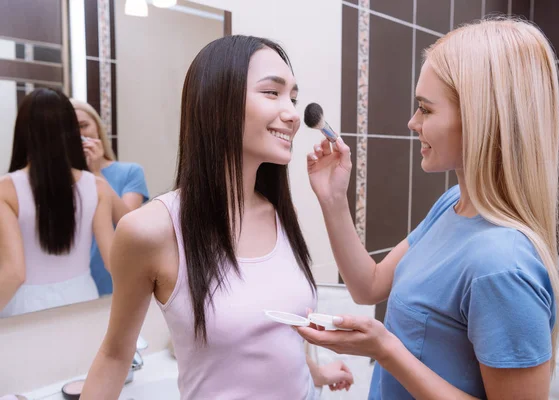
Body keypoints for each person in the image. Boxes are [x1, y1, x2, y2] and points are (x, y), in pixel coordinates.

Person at [297, 18, 559, 399]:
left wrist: (386, 351)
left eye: (425, 109)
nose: (412, 122)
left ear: (480, 116)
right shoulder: (452, 205)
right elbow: (368, 285)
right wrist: (333, 200)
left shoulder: (502, 265)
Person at [81, 35, 353, 399]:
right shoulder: (150, 231)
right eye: (272, 93)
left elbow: (277, 334)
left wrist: (316, 373)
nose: (291, 113)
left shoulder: (278, 214)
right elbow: (116, 355)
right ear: (216, 103)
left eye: (293, 97)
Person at [0, 88, 114, 317]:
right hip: (83, 299)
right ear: (71, 131)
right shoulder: (97, 186)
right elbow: (113, 261)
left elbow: (14, 272)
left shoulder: (6, 189)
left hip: (24, 308)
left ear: (22, 131)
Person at [70, 99, 149, 295]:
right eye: (71, 128)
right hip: (74, 280)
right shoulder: (63, 178)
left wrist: (96, 174)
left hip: (112, 276)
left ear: (97, 126)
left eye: (84, 125)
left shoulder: (130, 172)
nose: (79, 133)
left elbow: (128, 222)